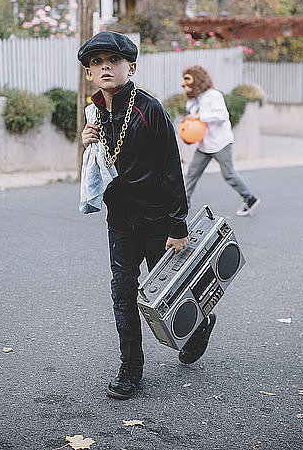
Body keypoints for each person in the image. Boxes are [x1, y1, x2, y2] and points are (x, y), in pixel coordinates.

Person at [78, 32, 217, 400]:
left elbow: (172, 168)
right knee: (123, 292)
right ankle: (131, 367)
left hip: (157, 219)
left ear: (131, 67)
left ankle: (199, 325)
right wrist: (88, 140)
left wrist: (178, 223)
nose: (104, 66)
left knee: (171, 292)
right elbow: (102, 166)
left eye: (112, 60)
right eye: (95, 62)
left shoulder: (149, 108)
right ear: (89, 73)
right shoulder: (95, 113)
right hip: (120, 221)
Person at [181, 64, 261, 216]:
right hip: (204, 145)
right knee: (192, 173)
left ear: (197, 81)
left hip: (221, 143)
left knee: (229, 174)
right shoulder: (194, 99)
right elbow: (192, 118)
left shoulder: (213, 95)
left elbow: (223, 115)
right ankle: (184, 204)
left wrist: (200, 116)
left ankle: (250, 199)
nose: (185, 87)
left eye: (189, 83)